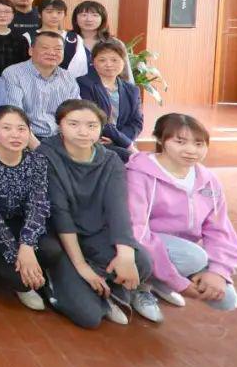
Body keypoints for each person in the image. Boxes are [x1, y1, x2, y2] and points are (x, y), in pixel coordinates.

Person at [38, 99, 155, 327]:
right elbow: (61, 215)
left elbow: (118, 209)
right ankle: (61, 281)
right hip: (59, 238)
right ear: (60, 126)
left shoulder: (110, 160)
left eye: (91, 125)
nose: (83, 132)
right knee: (89, 316)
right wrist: (81, 267)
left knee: (141, 261)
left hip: (95, 234)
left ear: (101, 128)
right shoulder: (46, 155)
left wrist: (125, 255)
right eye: (73, 124)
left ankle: (104, 286)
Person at [127, 113, 237, 313]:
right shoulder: (139, 175)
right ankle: (141, 286)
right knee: (193, 257)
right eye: (180, 142)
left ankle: (160, 283)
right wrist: (179, 283)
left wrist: (218, 272)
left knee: (226, 300)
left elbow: (220, 230)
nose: (191, 150)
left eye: (199, 144)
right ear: (160, 140)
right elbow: (136, 231)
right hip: (142, 247)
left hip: (180, 252)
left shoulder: (208, 180)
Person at [0, 105, 60, 311]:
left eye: (22, 129)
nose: (15, 134)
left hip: (21, 223)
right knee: (13, 274)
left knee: (52, 251)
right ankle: (12, 274)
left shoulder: (37, 160)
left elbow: (38, 204)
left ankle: (38, 276)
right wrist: (17, 255)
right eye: (7, 128)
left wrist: (27, 246)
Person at [2, 32, 81, 147]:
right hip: (27, 138)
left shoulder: (68, 77)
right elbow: (15, 116)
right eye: (45, 48)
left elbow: (76, 112)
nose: (52, 53)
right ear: (31, 51)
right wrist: (39, 149)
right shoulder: (13, 74)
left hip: (61, 138)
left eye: (58, 49)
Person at [78, 42, 143, 160]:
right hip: (95, 141)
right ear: (93, 62)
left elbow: (136, 122)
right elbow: (96, 118)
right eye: (102, 60)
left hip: (119, 142)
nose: (109, 64)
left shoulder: (132, 90)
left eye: (114, 60)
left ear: (123, 62)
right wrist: (126, 143)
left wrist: (118, 139)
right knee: (130, 158)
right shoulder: (84, 84)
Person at [71, 0, 134, 82]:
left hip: (106, 88)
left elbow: (125, 73)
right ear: (75, 19)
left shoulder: (114, 43)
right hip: (72, 88)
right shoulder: (67, 40)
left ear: (102, 19)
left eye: (95, 15)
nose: (89, 19)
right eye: (84, 15)